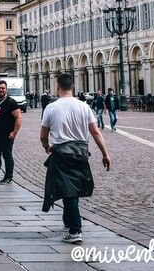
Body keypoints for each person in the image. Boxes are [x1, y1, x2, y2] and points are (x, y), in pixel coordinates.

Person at [40, 73, 111, 245]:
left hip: (61, 153)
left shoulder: (51, 107)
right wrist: (105, 154)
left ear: (58, 87)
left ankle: (75, 230)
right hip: (80, 152)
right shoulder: (84, 106)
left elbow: (43, 135)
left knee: (69, 190)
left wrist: (46, 147)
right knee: (71, 188)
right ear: (73, 87)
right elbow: (95, 132)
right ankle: (68, 220)